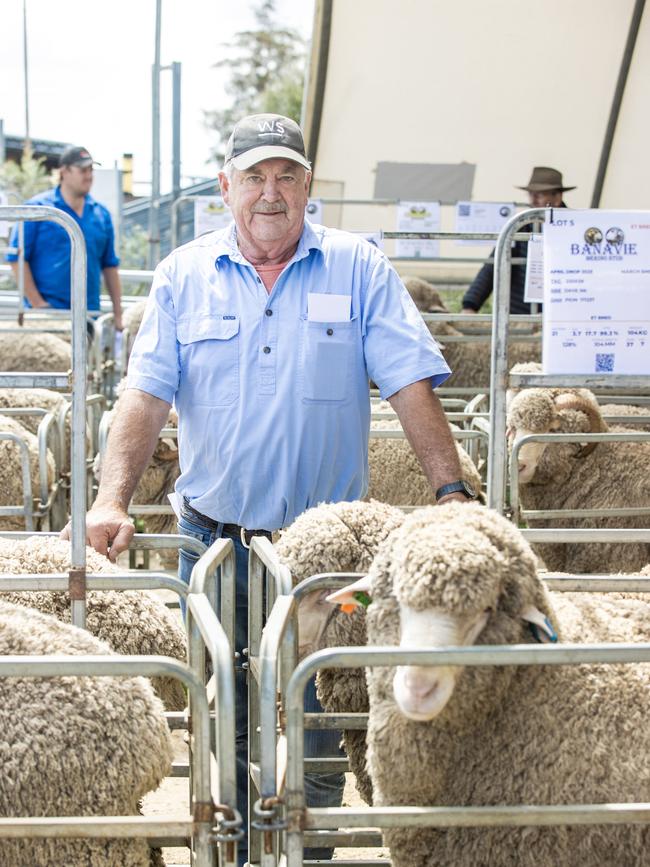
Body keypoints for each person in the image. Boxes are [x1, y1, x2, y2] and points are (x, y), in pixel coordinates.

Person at [65, 113, 475, 862]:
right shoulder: (184, 275)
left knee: (322, 711)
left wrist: (452, 491)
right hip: (215, 543)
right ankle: (243, 848)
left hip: (327, 556)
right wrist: (111, 498)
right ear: (226, 187)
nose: (271, 192)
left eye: (286, 175)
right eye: (254, 176)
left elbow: (410, 381)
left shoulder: (358, 267)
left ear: (308, 186)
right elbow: (145, 395)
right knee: (228, 708)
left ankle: (307, 849)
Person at [6, 145, 123, 329]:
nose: (89, 175)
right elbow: (17, 259)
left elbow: (109, 265)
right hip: (46, 317)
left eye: (91, 170)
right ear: (64, 171)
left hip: (88, 315)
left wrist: (118, 315)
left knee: (90, 358)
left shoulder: (101, 214)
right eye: (82, 170)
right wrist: (39, 305)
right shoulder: (39, 209)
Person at [461, 166, 575, 315]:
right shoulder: (521, 225)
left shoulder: (574, 230)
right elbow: (495, 264)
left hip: (559, 314)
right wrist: (470, 304)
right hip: (519, 314)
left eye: (540, 194)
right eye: (531, 194)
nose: (533, 199)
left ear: (557, 197)